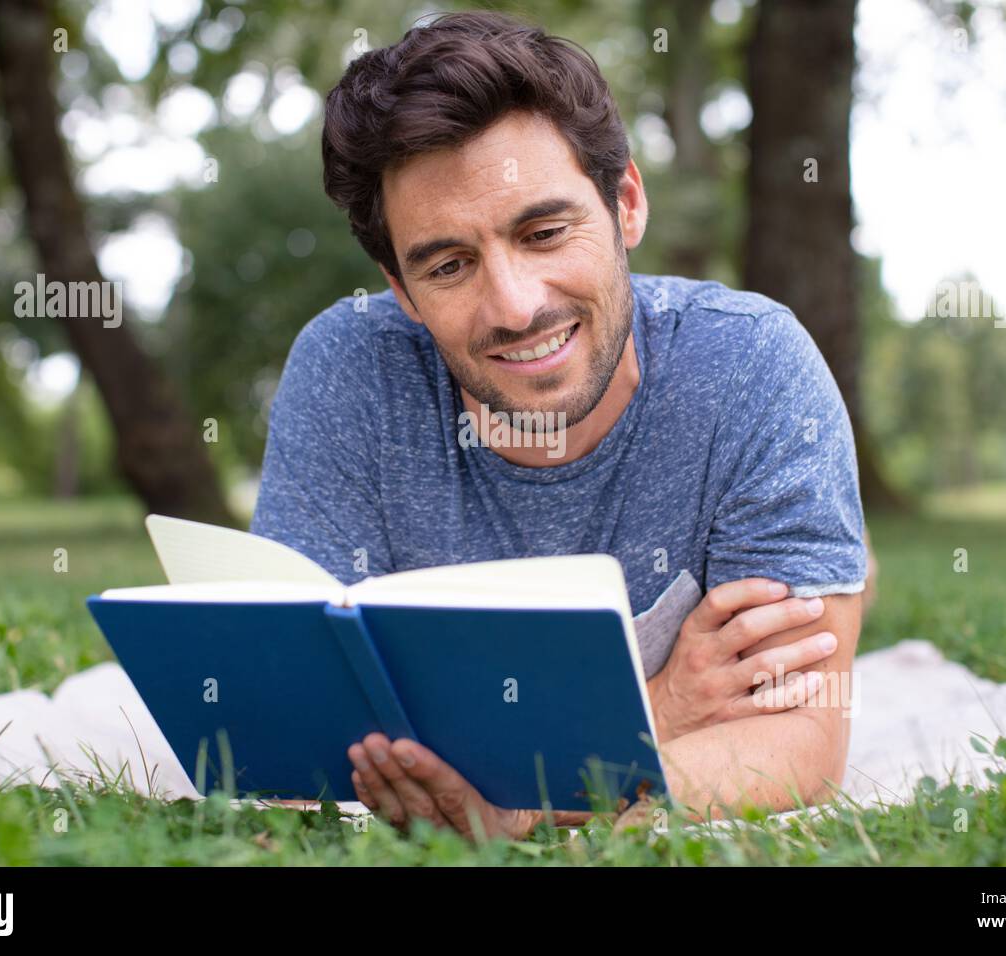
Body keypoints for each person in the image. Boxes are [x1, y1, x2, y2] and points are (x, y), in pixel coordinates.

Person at [252, 10, 867, 840]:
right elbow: (294, 732)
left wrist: (521, 810)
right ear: (400, 289)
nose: (515, 306)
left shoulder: (752, 365)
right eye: (448, 265)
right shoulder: (348, 372)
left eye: (544, 232)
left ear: (627, 203)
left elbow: (801, 736)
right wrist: (662, 712)